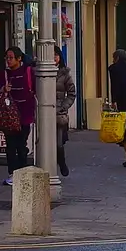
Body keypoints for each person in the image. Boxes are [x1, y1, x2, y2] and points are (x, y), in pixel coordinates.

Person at [0, 47, 36, 184]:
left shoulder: (28, 72)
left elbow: (36, 88)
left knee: (21, 146)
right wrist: (3, 89)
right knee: (10, 146)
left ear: (19, 58)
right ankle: (12, 174)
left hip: (25, 114)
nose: (8, 60)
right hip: (8, 115)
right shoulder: (4, 74)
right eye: (7, 58)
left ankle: (22, 172)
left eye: (11, 58)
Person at [54, 46, 75, 179]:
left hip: (58, 112)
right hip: (42, 112)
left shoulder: (65, 74)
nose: (53, 57)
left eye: (56, 55)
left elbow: (72, 93)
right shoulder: (37, 71)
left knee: (58, 143)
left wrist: (64, 106)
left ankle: (61, 162)